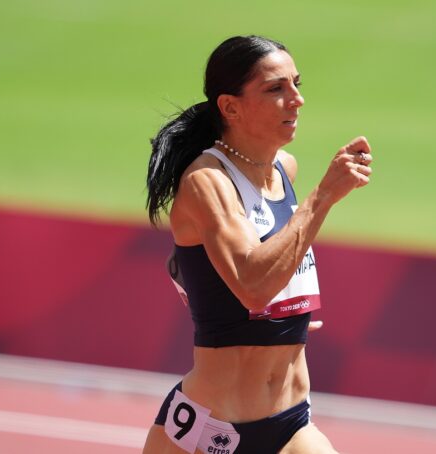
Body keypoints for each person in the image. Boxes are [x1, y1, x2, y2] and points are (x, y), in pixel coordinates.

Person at [142, 35, 373, 454]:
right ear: (230, 107)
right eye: (275, 89)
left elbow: (245, 268)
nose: (297, 100)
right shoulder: (207, 181)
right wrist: (323, 196)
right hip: (211, 429)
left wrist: (287, 317)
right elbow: (252, 285)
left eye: (296, 84)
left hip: (291, 422)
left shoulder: (284, 169)